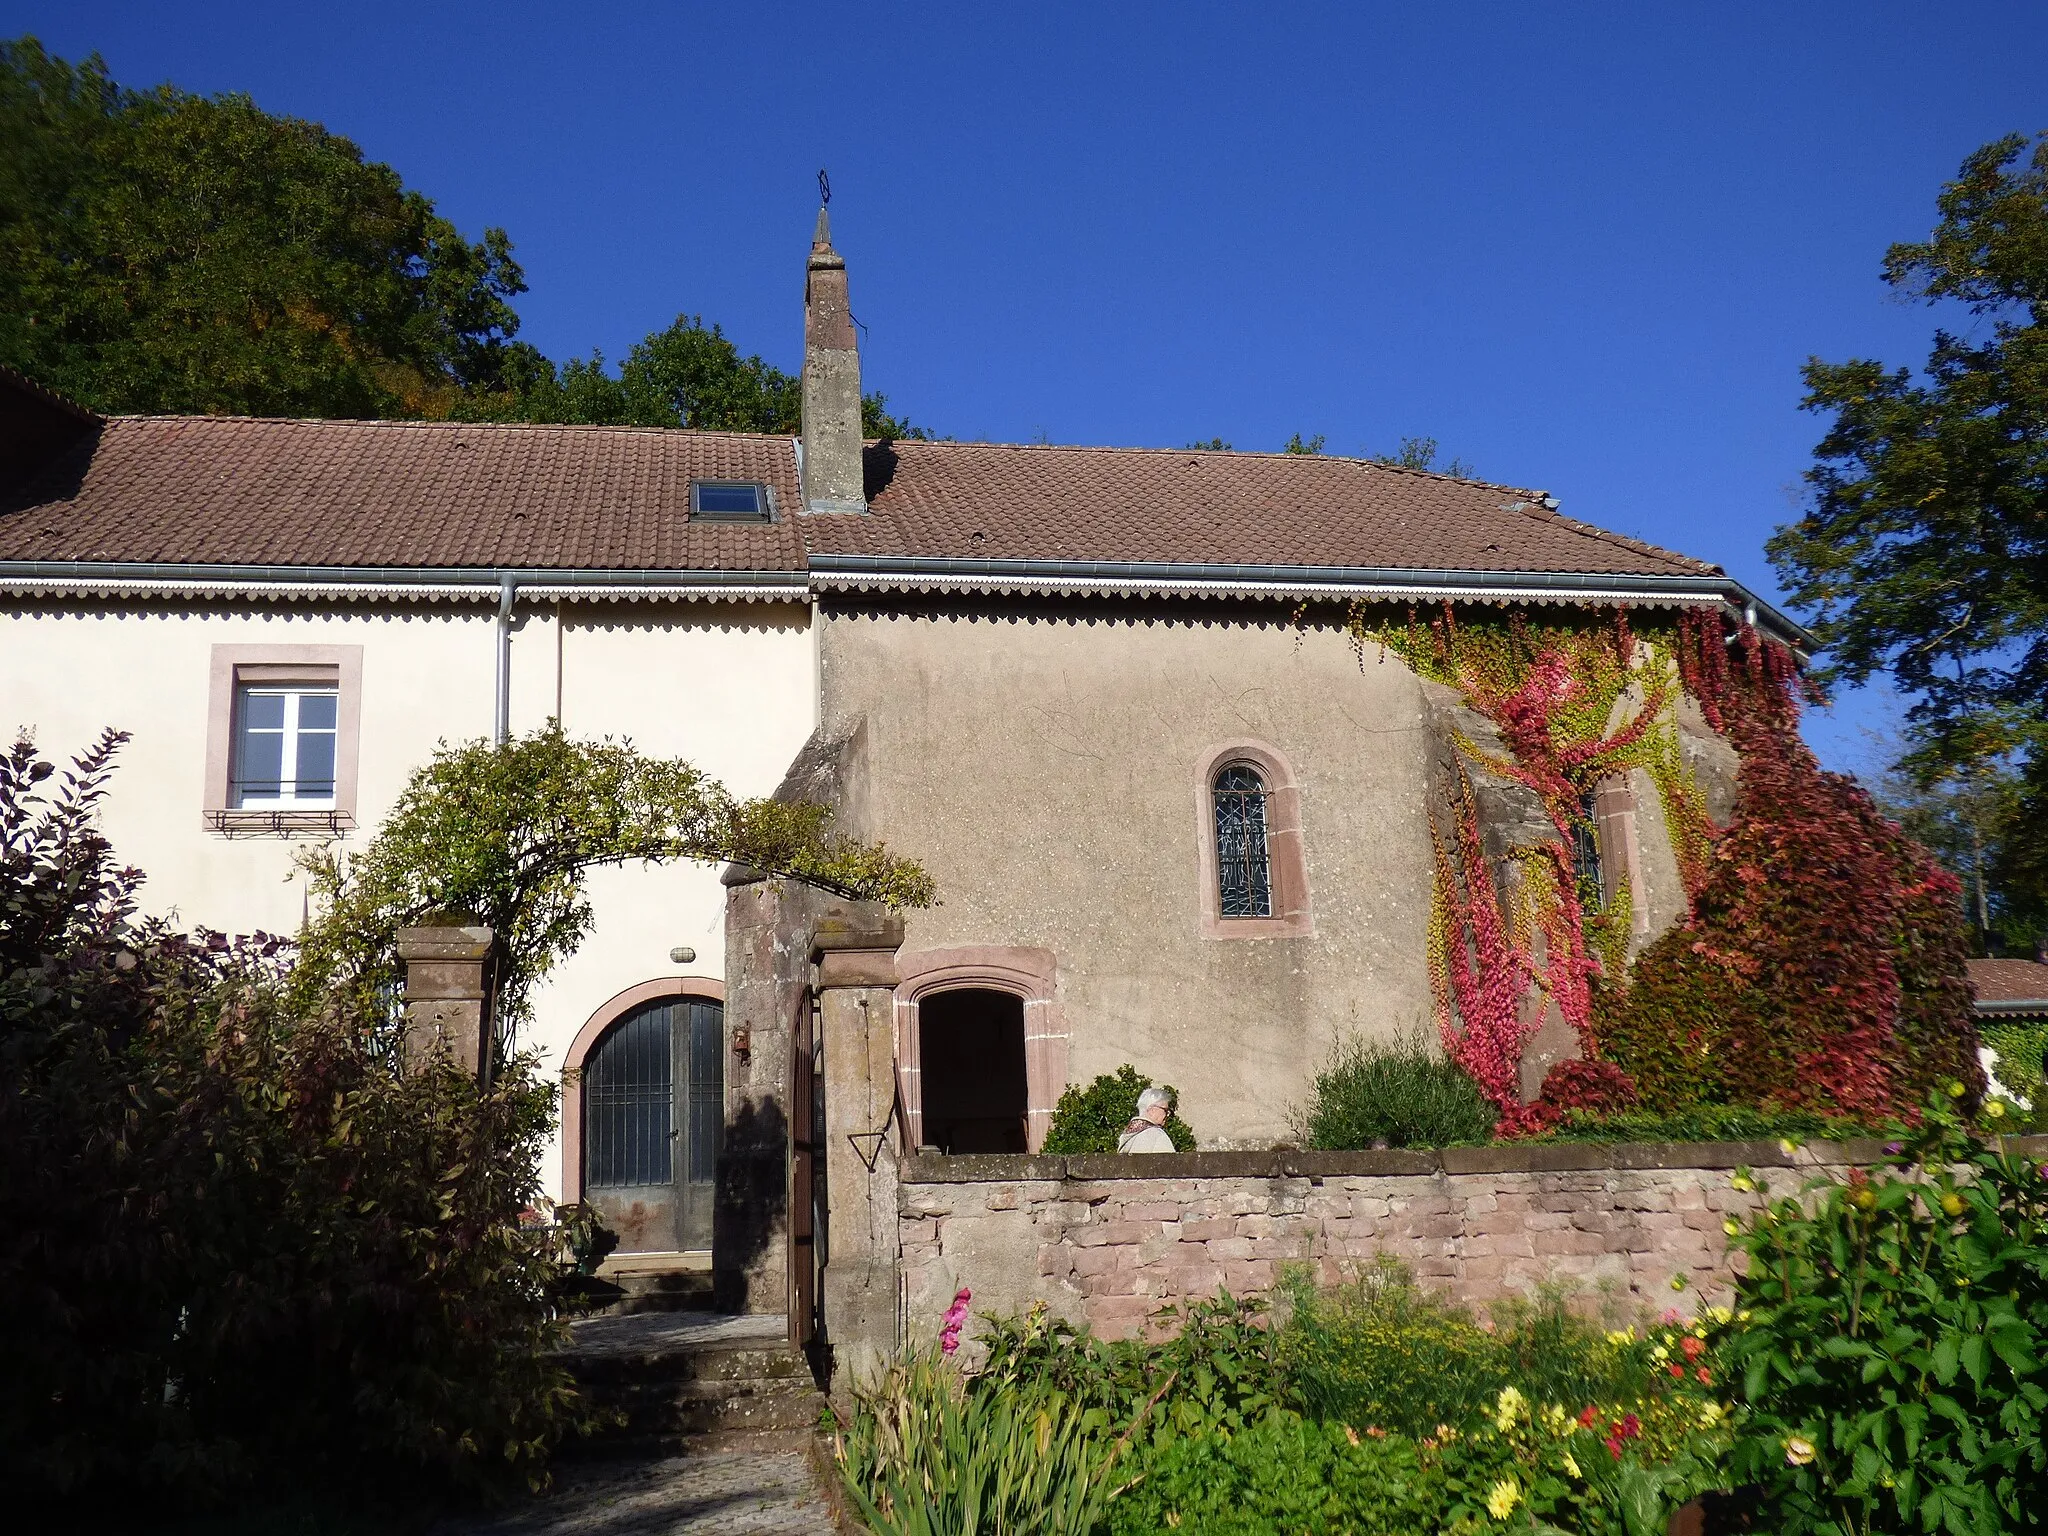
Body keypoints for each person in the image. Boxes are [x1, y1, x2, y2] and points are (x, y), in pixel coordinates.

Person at [1117, 1085, 1177, 1153]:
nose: (1167, 1115)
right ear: (1152, 1110)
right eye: (1165, 1110)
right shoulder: (1157, 1135)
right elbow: (1172, 1162)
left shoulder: (1127, 1137)